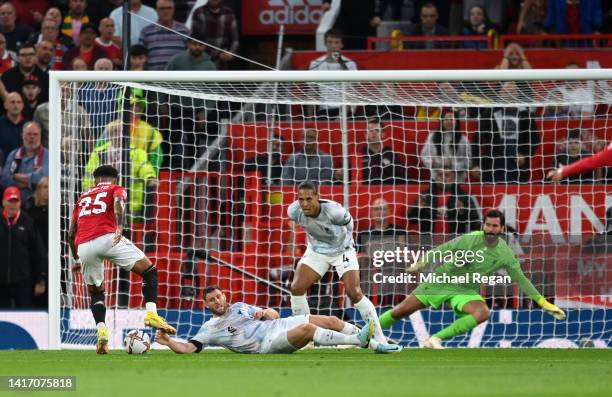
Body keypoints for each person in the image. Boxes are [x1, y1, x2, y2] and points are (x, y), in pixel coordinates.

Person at [378, 209, 566, 349]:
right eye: (488, 225)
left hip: (465, 290)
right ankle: (364, 335)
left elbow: (521, 279)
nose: (490, 229)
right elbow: (441, 250)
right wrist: (419, 264)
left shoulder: (505, 253)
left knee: (482, 312)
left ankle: (434, 339)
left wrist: (543, 302)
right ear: (483, 225)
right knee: (400, 311)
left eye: (495, 226)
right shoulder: (469, 239)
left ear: (501, 228)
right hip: (441, 282)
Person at [68, 165, 175, 354]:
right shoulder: (115, 188)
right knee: (149, 271)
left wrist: (77, 258)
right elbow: (118, 202)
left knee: (96, 293)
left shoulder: (83, 197)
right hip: (108, 238)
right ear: (114, 179)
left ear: (95, 180)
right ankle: (151, 313)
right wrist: (120, 226)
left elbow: (70, 234)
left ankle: (101, 329)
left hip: (83, 246)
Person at [286, 181, 401, 353]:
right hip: (317, 251)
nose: (304, 204)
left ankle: (380, 339)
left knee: (354, 292)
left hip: (342, 250)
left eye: (308, 199)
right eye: (301, 199)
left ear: (317, 197)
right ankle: (303, 338)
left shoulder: (335, 211)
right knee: (296, 288)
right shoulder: (294, 211)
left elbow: (349, 226)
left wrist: (341, 244)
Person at [156, 285, 374, 354]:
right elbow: (188, 348)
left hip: (278, 324)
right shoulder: (210, 327)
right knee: (307, 329)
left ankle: (372, 341)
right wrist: (168, 342)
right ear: (206, 304)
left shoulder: (241, 306)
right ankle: (359, 340)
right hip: (266, 344)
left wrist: (265, 312)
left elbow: (274, 314)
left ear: (224, 296)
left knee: (331, 320)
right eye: (212, 300)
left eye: (219, 297)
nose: (217, 302)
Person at [472, 82, 538, 183]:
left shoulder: (526, 114)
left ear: (518, 94)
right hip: (492, 166)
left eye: (513, 91)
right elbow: (477, 139)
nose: (509, 94)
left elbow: (534, 139)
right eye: (506, 91)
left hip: (518, 167)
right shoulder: (489, 113)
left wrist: (525, 155)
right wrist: (475, 163)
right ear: (500, 94)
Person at [0, 185, 46, 307]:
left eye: (16, 201)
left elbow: (39, 253)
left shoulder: (28, 222)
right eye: (10, 201)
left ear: (20, 202)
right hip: (1, 282)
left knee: (25, 315)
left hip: (23, 282)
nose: (13, 205)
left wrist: (40, 280)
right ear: (3, 202)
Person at [307, 29, 357, 119]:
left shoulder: (350, 64)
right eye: (330, 42)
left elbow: (352, 92)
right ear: (325, 44)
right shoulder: (315, 63)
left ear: (342, 45)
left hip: (344, 111)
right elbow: (311, 92)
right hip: (323, 110)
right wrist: (310, 117)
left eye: (336, 42)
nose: (333, 46)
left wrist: (343, 115)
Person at [1, 121, 48, 202]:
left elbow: (43, 179)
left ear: (40, 136)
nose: (32, 137)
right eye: (29, 134)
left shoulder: (47, 155)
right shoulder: (14, 155)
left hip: (38, 206)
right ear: (22, 135)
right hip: (16, 204)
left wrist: (16, 177)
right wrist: (31, 183)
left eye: (35, 134)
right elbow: (5, 180)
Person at [420, 109, 471, 182]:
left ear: (456, 122)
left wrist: (453, 166)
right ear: (442, 121)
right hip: (436, 178)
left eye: (451, 119)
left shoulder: (463, 139)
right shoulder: (432, 136)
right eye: (446, 119)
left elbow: (469, 161)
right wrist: (432, 163)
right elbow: (424, 155)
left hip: (457, 179)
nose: (449, 122)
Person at [139, 0, 188, 71]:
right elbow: (140, 57)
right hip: (154, 78)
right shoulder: (146, 32)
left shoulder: (184, 31)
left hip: (178, 78)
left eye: (169, 8)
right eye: (162, 8)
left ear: (173, 10)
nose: (166, 11)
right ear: (157, 10)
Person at [189, 0, 239, 68]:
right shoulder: (198, 12)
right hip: (202, 60)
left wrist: (231, 53)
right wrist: (218, 54)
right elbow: (195, 39)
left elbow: (235, 40)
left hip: (223, 63)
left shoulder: (229, 13)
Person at [361, 117, 407, 184]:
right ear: (365, 135)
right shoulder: (359, 155)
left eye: (377, 130)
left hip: (388, 192)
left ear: (383, 134)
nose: (374, 133)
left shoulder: (391, 155)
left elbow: (403, 177)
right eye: (370, 130)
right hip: (365, 193)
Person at [548, 141, 612, 182]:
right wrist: (564, 171)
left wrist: (564, 171)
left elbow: (593, 161)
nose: (573, 145)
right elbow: (595, 161)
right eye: (570, 143)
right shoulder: (559, 157)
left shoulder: (586, 154)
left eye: (576, 142)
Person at [0, 92, 25, 159]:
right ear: (5, 105)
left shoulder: (28, 125)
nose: (16, 105)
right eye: (12, 102)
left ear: (22, 105)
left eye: (18, 102)